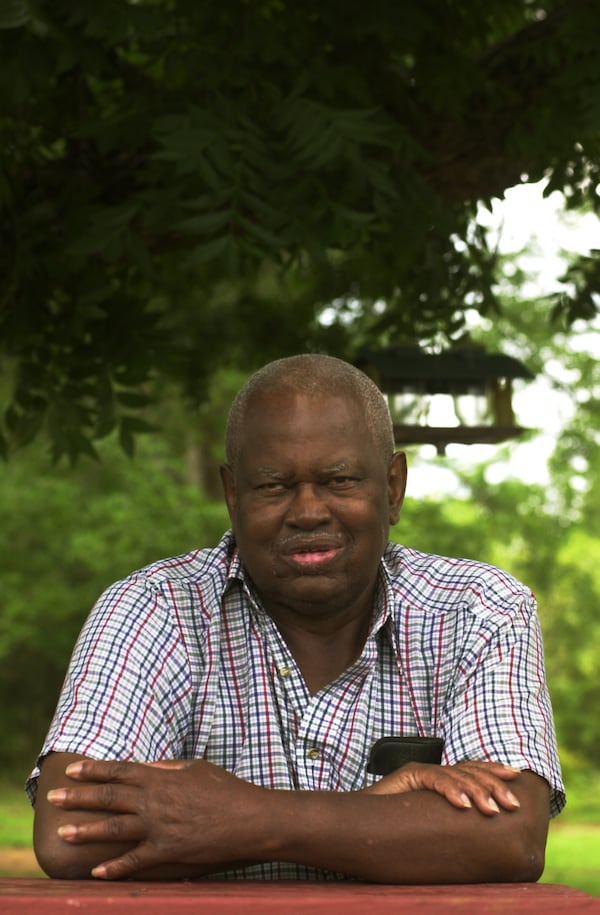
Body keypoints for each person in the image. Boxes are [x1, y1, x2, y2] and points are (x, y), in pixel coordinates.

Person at [28, 354, 565, 883]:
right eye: (273, 486)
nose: (308, 511)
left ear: (393, 487)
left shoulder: (480, 609)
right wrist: (380, 812)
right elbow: (71, 834)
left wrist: (240, 817)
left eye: (339, 481)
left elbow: (511, 837)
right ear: (233, 496)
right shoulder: (153, 608)